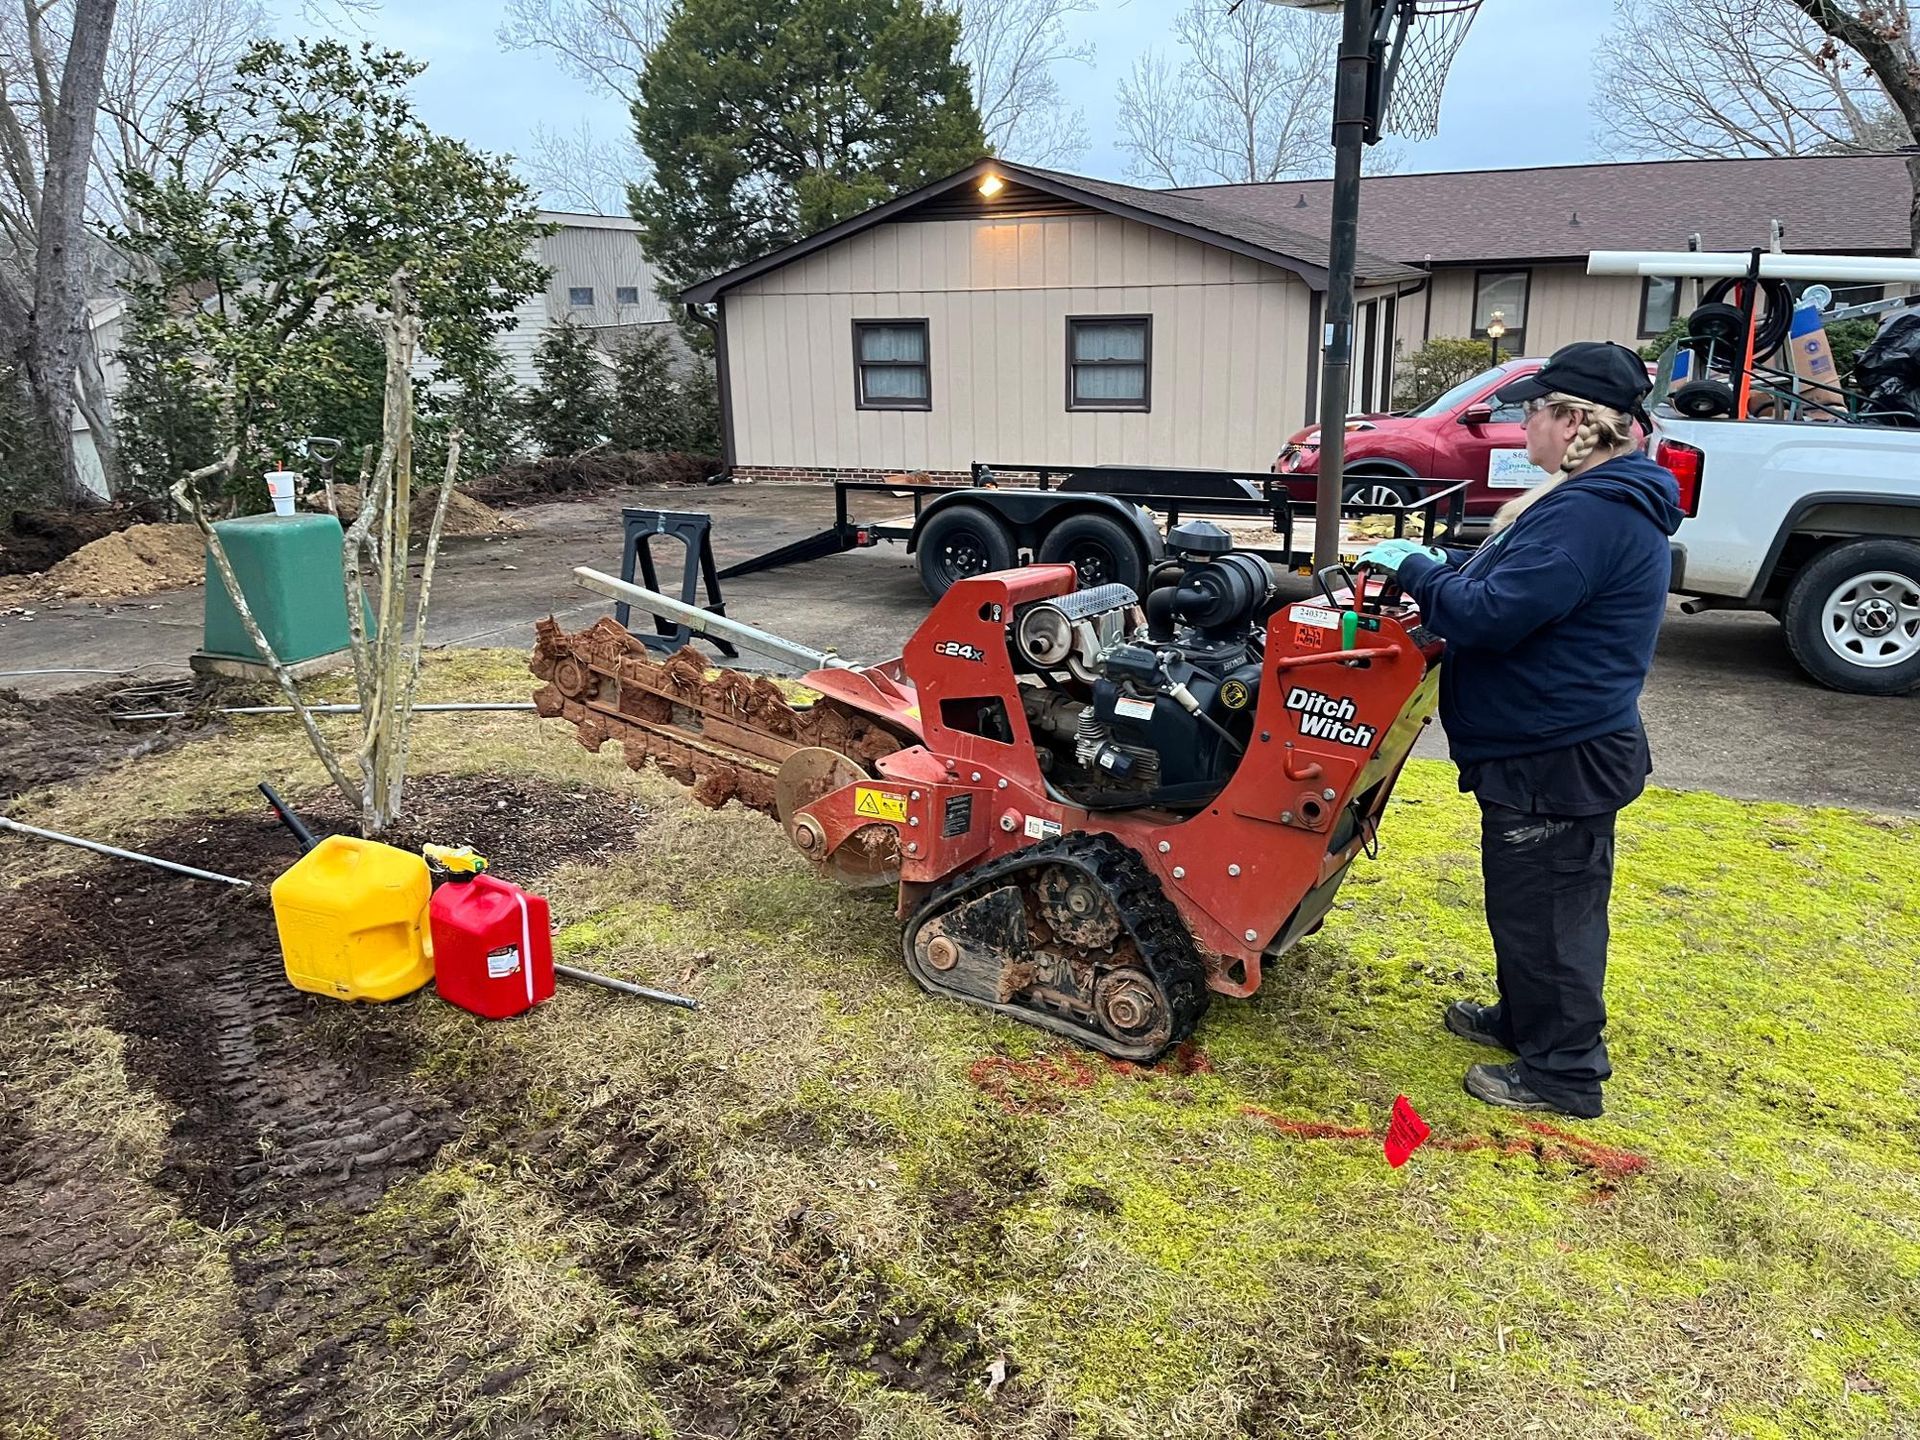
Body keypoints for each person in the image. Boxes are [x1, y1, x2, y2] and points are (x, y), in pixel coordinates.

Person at [1357, 341, 1683, 1119]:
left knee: (1551, 914)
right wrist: (1443, 570)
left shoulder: (1593, 514)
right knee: (1525, 902)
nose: (1522, 423)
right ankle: (1526, 1022)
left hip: (1556, 755)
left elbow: (1494, 614)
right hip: (1546, 745)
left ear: (1573, 422)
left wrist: (1416, 570)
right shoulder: (1584, 500)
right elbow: (1507, 586)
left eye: (1531, 410)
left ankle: (1565, 1073)